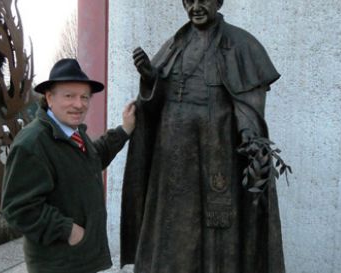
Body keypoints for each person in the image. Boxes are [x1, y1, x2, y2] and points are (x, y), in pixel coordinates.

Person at [121, 0, 285, 272]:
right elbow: (155, 103)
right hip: (172, 155)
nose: (196, 6)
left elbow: (248, 103)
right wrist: (151, 78)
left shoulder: (241, 45)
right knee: (173, 224)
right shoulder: (174, 44)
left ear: (218, 2)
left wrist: (249, 137)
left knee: (217, 224)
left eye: (203, 0)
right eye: (189, 0)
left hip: (217, 150)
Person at [1, 58, 136, 273]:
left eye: (84, 97)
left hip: (80, 260)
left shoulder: (73, 134)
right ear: (49, 98)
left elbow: (94, 157)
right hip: (58, 263)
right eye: (69, 96)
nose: (79, 104)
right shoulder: (33, 143)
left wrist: (124, 130)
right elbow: (18, 209)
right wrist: (69, 231)